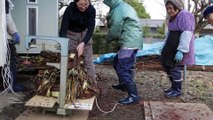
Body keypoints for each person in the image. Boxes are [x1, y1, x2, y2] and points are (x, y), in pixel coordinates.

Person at [103, 0, 143, 105]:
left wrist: (108, 38)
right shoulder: (122, 6)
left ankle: (133, 96)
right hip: (131, 40)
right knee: (117, 62)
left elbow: (116, 26)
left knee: (122, 68)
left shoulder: (118, 8)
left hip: (129, 42)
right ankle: (124, 84)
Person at [161, 0, 195, 97]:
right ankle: (173, 86)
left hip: (179, 47)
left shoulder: (184, 15)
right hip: (171, 48)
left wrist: (181, 50)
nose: (169, 10)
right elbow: (169, 33)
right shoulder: (172, 17)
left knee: (174, 68)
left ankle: (177, 90)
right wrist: (164, 46)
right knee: (166, 65)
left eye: (171, 8)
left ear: (177, 6)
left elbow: (186, 33)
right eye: (167, 8)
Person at [59, 0, 96, 85]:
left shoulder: (91, 10)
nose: (83, 7)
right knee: (71, 61)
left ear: (89, 2)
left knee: (88, 62)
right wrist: (64, 45)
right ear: (76, 3)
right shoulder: (70, 9)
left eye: (85, 4)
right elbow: (63, 28)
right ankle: (70, 86)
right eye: (80, 4)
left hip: (85, 33)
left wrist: (83, 43)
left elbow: (90, 29)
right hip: (71, 34)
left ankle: (92, 85)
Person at [5, 0, 25, 92]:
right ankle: (13, 86)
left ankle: (5, 85)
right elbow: (7, 18)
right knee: (12, 61)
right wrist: (14, 33)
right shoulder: (4, 2)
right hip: (6, 39)